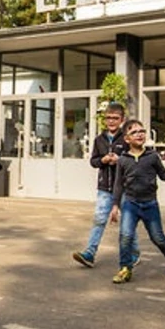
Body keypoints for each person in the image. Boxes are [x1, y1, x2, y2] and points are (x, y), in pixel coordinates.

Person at [110, 119, 165, 284]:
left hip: (150, 204)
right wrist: (115, 205)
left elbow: (163, 176)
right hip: (130, 204)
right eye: (134, 132)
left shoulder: (152, 156)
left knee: (157, 237)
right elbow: (118, 184)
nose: (139, 134)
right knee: (125, 236)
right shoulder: (123, 160)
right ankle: (125, 268)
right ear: (126, 139)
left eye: (142, 131)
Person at [72, 103, 126, 268]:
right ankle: (90, 252)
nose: (111, 121)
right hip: (105, 188)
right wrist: (102, 160)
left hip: (124, 188)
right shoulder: (99, 139)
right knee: (99, 219)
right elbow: (93, 161)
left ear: (122, 120)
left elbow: (133, 160)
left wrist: (119, 160)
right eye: (108, 118)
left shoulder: (126, 138)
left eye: (115, 118)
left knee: (127, 223)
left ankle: (133, 253)